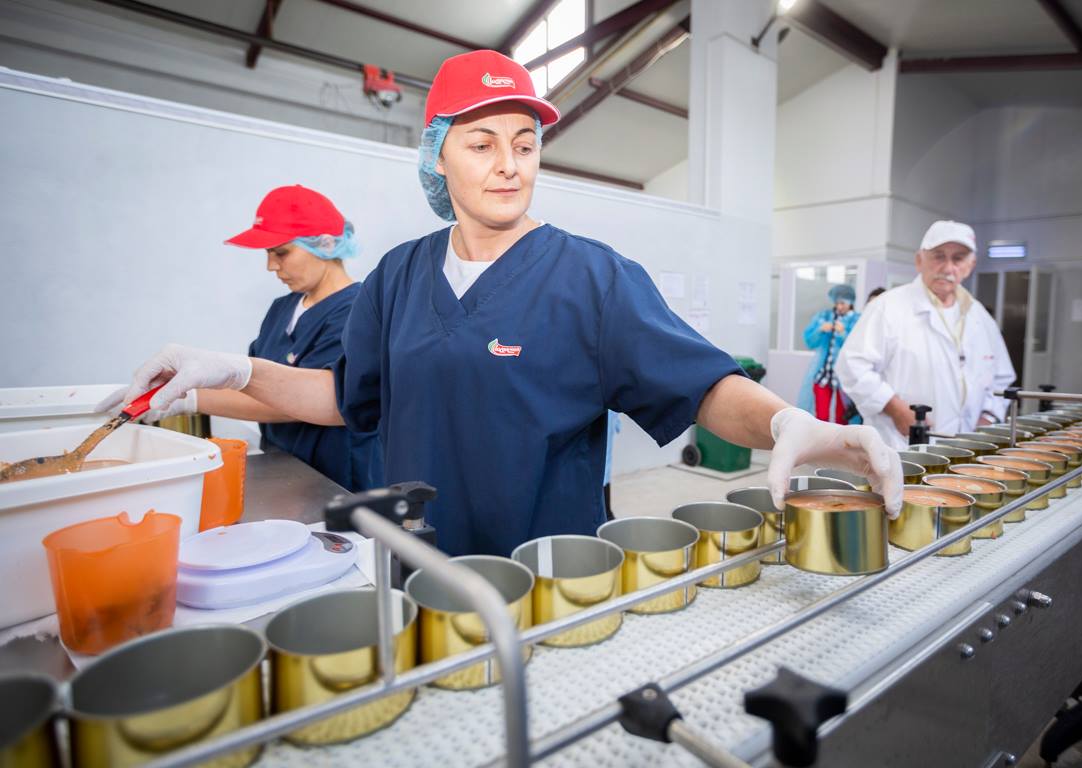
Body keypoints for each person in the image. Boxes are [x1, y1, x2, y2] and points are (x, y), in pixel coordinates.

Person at [121, 50, 903, 556]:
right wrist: (231, 371)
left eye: (524, 145)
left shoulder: (593, 278)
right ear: (437, 157)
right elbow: (342, 396)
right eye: (481, 143)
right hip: (416, 564)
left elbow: (700, 387)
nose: (509, 165)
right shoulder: (397, 276)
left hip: (545, 574)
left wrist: (786, 423)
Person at [111, 185, 377, 491]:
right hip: (284, 467)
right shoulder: (282, 308)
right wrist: (179, 384)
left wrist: (190, 398)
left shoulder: (356, 311)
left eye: (282, 252)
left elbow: (308, 400)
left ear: (326, 244)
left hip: (336, 477)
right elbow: (253, 384)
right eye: (268, 253)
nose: (271, 265)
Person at [837, 220, 1015, 450]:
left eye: (958, 258)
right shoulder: (887, 307)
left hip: (966, 449)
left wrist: (988, 418)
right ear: (919, 260)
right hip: (900, 444)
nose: (948, 268)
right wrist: (895, 408)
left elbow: (1001, 377)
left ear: (970, 265)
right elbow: (851, 366)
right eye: (939, 256)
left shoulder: (979, 316)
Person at [797, 284, 859, 424]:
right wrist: (820, 330)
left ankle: (841, 439)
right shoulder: (824, 317)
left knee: (842, 418)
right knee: (821, 417)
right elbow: (809, 342)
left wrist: (843, 333)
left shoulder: (857, 320)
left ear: (850, 302)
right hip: (823, 375)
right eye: (837, 303)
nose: (839, 307)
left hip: (844, 377)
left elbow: (858, 347)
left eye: (842, 303)